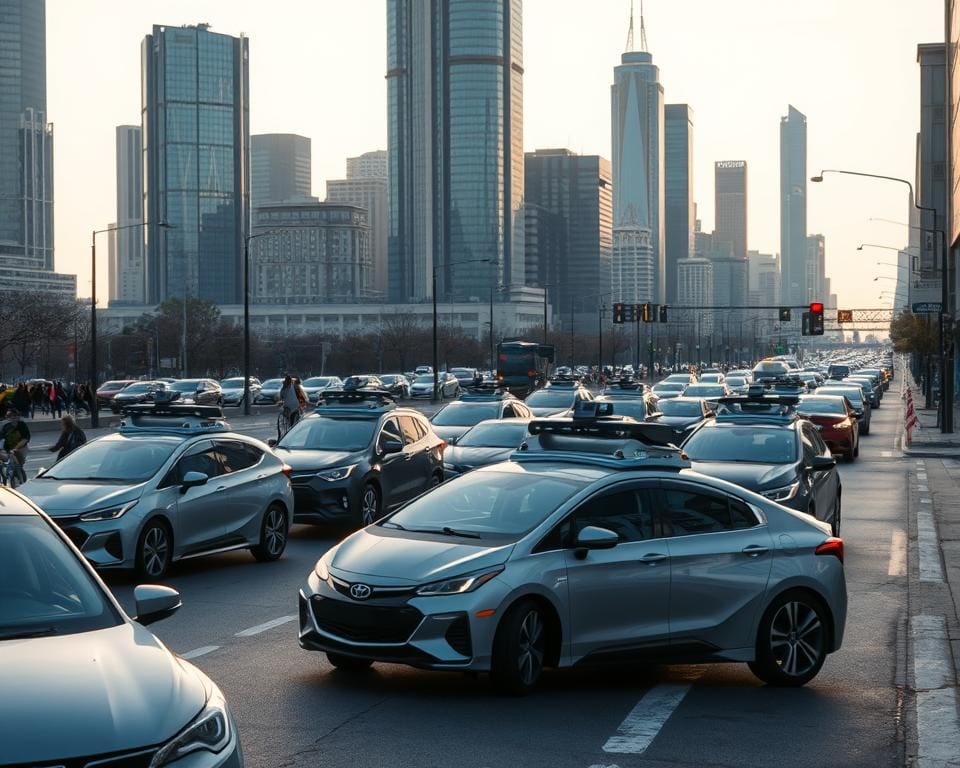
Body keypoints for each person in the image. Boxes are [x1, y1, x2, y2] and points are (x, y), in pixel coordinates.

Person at [1, 407, 30, 484]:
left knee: (18, 463)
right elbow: (1, 439)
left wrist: (15, 448)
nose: (12, 418)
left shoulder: (21, 425)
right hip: (7, 448)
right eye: (9, 416)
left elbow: (25, 439)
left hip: (21, 448)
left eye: (14, 416)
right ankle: (5, 477)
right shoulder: (4, 426)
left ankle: (20, 478)